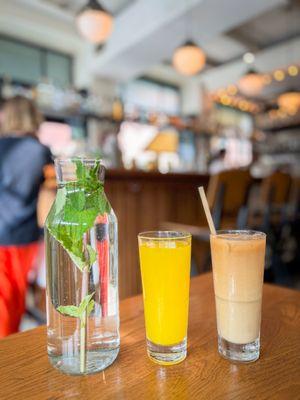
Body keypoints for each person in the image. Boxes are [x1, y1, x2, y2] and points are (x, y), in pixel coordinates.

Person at [0, 95, 52, 337]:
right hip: (26, 235)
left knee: (3, 300)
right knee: (16, 294)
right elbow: (50, 191)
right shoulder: (41, 151)